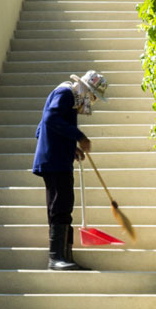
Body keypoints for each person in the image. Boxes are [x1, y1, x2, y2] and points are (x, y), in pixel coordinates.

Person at [32, 70, 108, 271]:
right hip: (55, 162)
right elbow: (50, 120)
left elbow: (40, 129)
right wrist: (79, 136)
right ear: (84, 89)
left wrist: (69, 147)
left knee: (62, 203)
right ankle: (56, 257)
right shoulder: (65, 94)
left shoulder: (67, 97)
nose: (91, 101)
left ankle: (64, 255)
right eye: (92, 96)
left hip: (56, 159)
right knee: (61, 204)